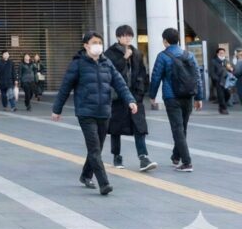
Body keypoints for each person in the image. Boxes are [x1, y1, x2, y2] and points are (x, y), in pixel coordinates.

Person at [52, 31, 138, 195]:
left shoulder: (107, 63)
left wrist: (130, 100)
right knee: (94, 149)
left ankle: (85, 175)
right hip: (86, 112)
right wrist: (57, 109)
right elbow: (65, 87)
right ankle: (104, 183)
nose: (98, 45)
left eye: (99, 42)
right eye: (94, 42)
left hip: (104, 112)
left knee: (97, 148)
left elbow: (119, 83)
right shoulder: (78, 64)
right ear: (86, 45)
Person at [148, 28, 204, 173]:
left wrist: (152, 95)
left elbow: (156, 77)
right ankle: (176, 156)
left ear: (165, 41)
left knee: (177, 129)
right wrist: (199, 97)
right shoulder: (189, 55)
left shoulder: (163, 56)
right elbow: (197, 77)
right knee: (182, 128)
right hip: (188, 96)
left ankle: (187, 162)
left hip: (171, 97)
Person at [104, 25, 157, 172]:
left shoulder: (137, 53)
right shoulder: (109, 53)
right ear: (118, 37)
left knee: (139, 127)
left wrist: (140, 93)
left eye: (130, 35)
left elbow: (142, 74)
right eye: (124, 35)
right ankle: (117, 156)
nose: (127, 38)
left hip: (135, 96)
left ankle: (143, 157)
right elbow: (109, 73)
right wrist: (124, 58)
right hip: (118, 97)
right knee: (116, 128)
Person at [209, 47, 231, 115]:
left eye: (223, 53)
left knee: (228, 94)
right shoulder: (213, 61)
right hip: (219, 81)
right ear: (217, 54)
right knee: (221, 95)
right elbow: (212, 72)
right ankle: (223, 108)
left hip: (226, 80)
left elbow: (230, 69)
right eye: (221, 53)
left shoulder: (226, 61)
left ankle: (222, 105)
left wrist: (231, 69)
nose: (222, 54)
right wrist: (216, 79)